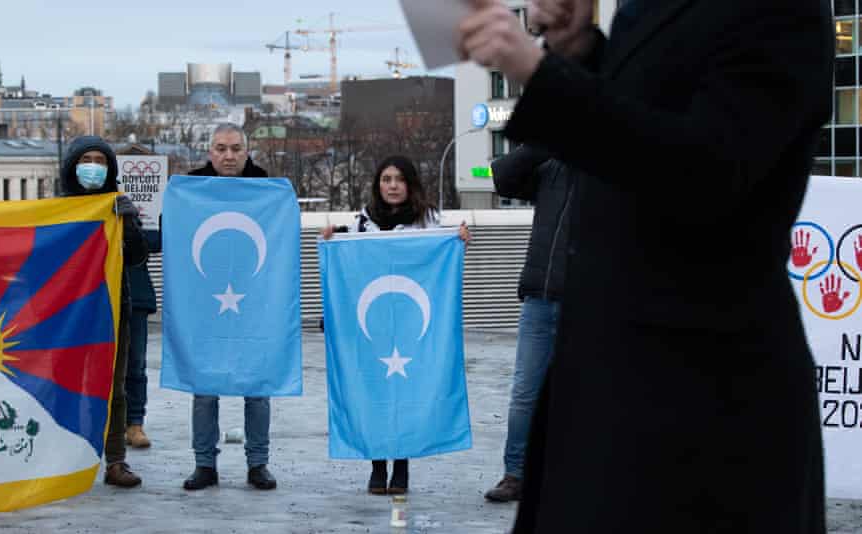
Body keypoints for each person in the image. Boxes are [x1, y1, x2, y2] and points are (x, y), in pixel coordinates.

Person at [458, 0, 832, 532]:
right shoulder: (644, 9)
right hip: (609, 390)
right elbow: (638, 116)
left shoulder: (778, 12)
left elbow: (705, 173)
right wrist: (579, 52)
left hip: (703, 401)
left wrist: (541, 76)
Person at [321, 155, 470, 495]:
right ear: (378, 184)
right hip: (370, 330)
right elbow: (348, 260)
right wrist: (334, 237)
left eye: (399, 179)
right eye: (386, 179)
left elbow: (444, 251)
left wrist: (460, 238)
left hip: (409, 330)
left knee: (405, 394)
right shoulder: (362, 222)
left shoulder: (429, 222)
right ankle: (376, 466)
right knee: (372, 391)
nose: (392, 185)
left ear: (410, 184)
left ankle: (401, 467)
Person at [182, 123, 277, 492]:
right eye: (221, 148)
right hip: (205, 301)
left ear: (246, 151)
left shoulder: (266, 189)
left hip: (253, 301)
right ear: (210, 152)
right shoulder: (191, 189)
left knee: (257, 385)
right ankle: (204, 465)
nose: (229, 156)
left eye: (236, 148)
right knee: (204, 387)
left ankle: (259, 464)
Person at [59, 135, 149, 488]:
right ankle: (65, 457)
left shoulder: (117, 206)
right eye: (87, 159)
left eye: (100, 160)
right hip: (67, 311)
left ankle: (115, 461)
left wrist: (128, 225)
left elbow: (139, 258)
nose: (94, 167)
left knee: (115, 386)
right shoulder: (57, 210)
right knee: (66, 383)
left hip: (112, 306)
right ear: (72, 165)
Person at [484, 145, 571, 503]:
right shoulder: (551, 164)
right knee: (524, 394)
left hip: (585, 303)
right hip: (539, 298)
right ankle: (515, 474)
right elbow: (502, 177)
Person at [124, 229, 158, 449]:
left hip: (135, 295)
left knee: (135, 364)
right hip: (98, 293)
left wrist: (131, 232)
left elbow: (161, 239)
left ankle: (134, 423)